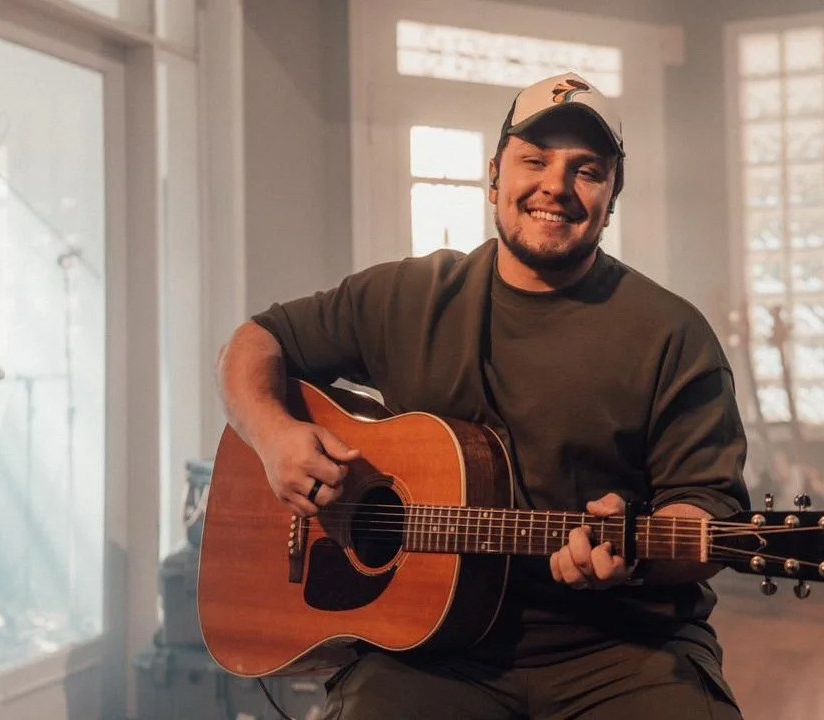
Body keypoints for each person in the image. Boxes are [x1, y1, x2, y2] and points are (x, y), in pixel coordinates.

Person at [216, 71, 749, 718]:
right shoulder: (409, 298)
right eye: (534, 160)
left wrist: (635, 555)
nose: (556, 185)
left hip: (624, 651)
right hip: (428, 651)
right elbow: (254, 342)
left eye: (587, 171)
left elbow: (706, 513)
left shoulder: (671, 333)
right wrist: (274, 435)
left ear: (612, 196)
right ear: (494, 176)